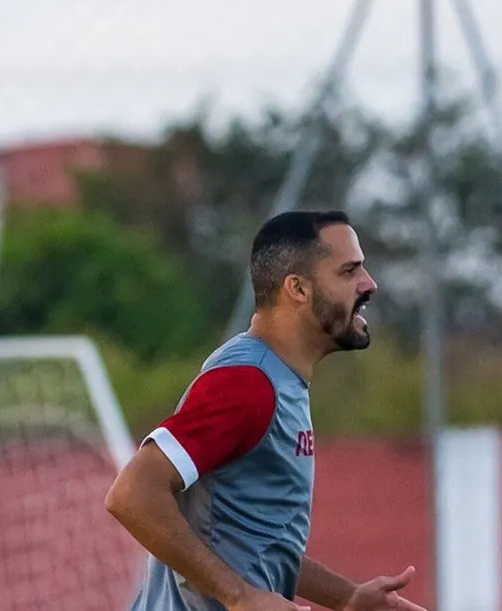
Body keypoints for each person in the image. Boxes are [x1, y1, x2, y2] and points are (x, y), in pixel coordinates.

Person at [106, 210, 425, 611]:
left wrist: (347, 598)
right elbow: (132, 493)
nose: (369, 283)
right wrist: (239, 596)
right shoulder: (248, 382)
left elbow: (258, 542)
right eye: (348, 272)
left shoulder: (278, 379)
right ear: (298, 289)